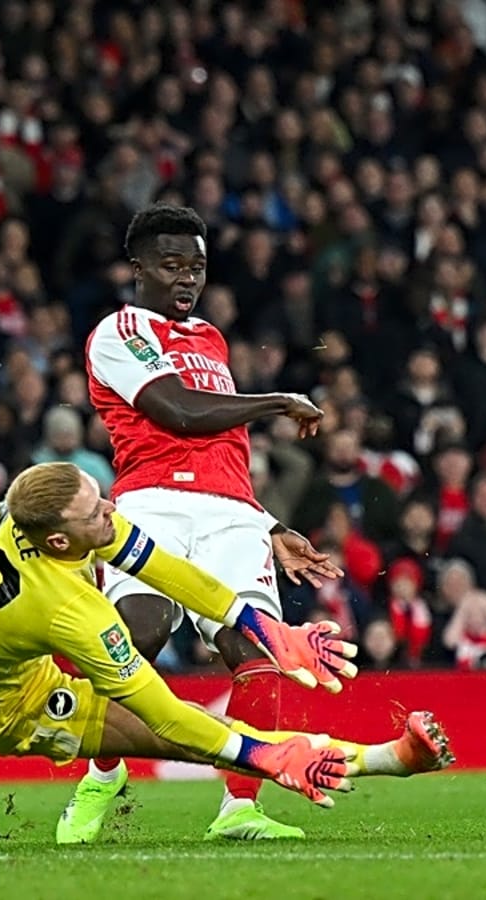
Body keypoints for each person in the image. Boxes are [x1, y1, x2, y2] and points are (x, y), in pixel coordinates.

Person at [0, 463, 450, 852]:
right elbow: (168, 716)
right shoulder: (70, 611)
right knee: (192, 740)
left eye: (99, 497)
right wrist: (265, 759)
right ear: (60, 542)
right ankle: (389, 759)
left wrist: (260, 626)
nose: (110, 510)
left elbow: (166, 567)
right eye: (95, 515)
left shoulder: (39, 504)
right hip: (12, 706)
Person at [75, 204, 339, 841]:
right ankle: (104, 771)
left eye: (195, 266)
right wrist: (277, 399)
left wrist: (267, 521)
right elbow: (180, 413)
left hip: (231, 514)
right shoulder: (119, 331)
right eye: (171, 266)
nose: (186, 279)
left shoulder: (211, 340)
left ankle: (239, 808)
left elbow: (223, 447)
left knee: (256, 651)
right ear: (137, 268)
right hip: (151, 504)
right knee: (139, 635)